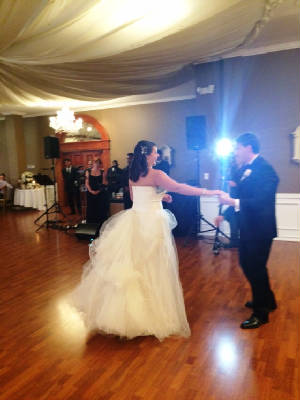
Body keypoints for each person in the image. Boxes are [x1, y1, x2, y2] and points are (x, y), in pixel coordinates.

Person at [70, 140, 222, 341]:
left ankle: (127, 315)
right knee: (153, 267)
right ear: (147, 155)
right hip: (151, 224)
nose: (157, 156)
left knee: (134, 266)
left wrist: (160, 197)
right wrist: (210, 192)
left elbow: (136, 198)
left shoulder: (133, 175)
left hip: (134, 220)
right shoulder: (157, 174)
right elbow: (181, 188)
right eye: (155, 153)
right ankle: (150, 314)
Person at [219, 133, 279, 329]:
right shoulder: (245, 168)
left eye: (237, 148)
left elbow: (262, 201)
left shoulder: (266, 169)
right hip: (248, 226)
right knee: (249, 264)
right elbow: (241, 195)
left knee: (255, 267)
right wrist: (226, 212)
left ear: (248, 147)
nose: (235, 151)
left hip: (260, 229)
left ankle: (261, 314)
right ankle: (267, 300)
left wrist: (233, 201)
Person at [214, 159, 243, 248]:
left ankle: (238, 241)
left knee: (233, 216)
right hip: (235, 202)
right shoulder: (232, 170)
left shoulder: (244, 171)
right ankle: (234, 241)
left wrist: (237, 184)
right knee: (232, 217)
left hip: (244, 203)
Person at [85, 159, 109, 229]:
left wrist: (98, 191)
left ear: (100, 163)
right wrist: (91, 191)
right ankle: (91, 227)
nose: (96, 164)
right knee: (91, 209)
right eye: (95, 162)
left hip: (100, 194)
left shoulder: (103, 172)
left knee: (100, 209)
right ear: (93, 163)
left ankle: (101, 226)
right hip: (90, 193)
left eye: (98, 162)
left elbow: (104, 183)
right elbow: (86, 183)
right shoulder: (88, 171)